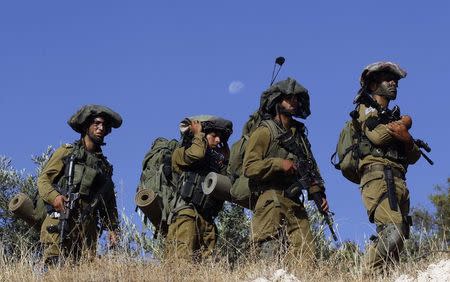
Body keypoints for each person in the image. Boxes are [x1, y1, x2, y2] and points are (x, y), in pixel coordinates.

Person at [243, 77, 329, 263]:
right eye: (288, 98)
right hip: (270, 198)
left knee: (306, 256)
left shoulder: (300, 137)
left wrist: (318, 194)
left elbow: (310, 167)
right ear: (276, 101)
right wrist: (279, 164)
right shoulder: (264, 131)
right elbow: (249, 167)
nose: (293, 102)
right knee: (268, 252)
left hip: (295, 201)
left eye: (296, 98)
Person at [355, 62, 421, 273]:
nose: (394, 83)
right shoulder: (365, 108)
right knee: (392, 231)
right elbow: (378, 136)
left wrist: (406, 136)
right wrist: (404, 125)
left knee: (399, 238)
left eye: (396, 81)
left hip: (399, 179)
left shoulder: (392, 116)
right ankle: (366, 275)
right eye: (387, 78)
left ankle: (381, 276)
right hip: (378, 178)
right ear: (373, 84)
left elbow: (414, 156)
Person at [38, 104, 122, 265]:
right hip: (60, 221)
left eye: (104, 125)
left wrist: (113, 228)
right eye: (96, 123)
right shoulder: (67, 152)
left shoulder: (103, 167)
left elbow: (109, 203)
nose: (101, 128)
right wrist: (55, 197)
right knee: (54, 270)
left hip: (87, 231)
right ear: (86, 126)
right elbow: (43, 180)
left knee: (82, 273)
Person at [167, 115, 232, 262]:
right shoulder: (181, 153)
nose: (218, 140)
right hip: (186, 215)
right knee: (180, 264)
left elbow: (229, 187)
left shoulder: (215, 165)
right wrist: (198, 134)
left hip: (207, 221)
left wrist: (226, 160)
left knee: (207, 269)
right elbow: (197, 154)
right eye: (214, 136)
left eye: (220, 138)